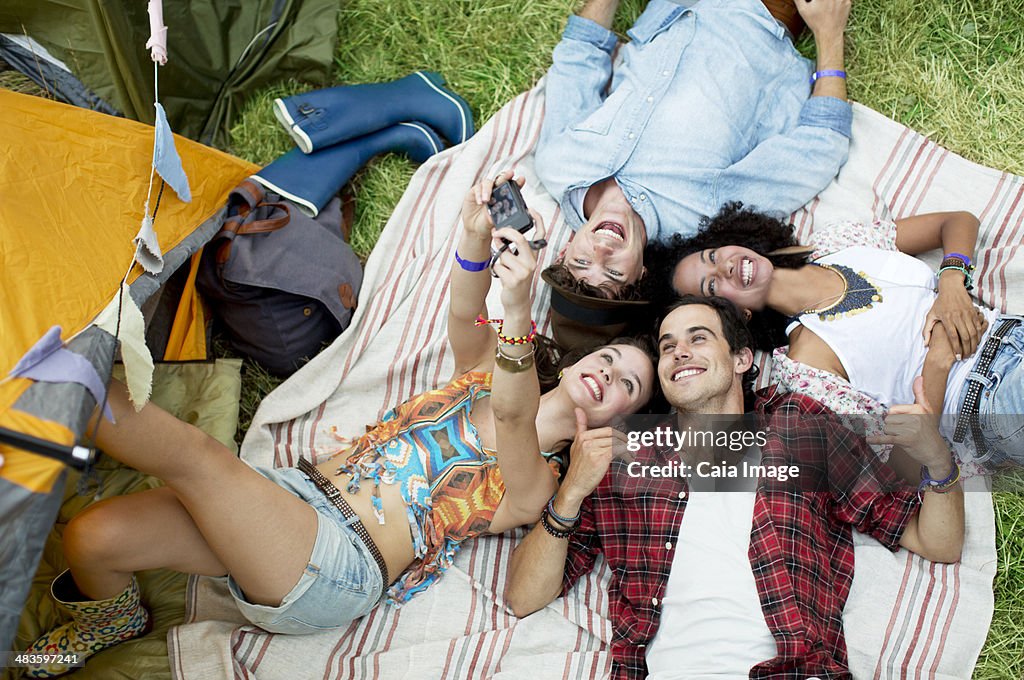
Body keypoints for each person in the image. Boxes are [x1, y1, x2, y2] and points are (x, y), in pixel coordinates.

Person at [24, 174, 658, 678]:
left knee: (190, 454)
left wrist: (518, 302)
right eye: (609, 357)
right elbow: (465, 309)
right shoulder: (486, 370)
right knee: (94, 538)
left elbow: (519, 415)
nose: (609, 372)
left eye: (627, 386)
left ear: (615, 424)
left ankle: (40, 371)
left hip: (339, 563)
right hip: (294, 498)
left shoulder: (538, 485)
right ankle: (111, 625)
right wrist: (472, 235)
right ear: (578, 360)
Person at [504, 296, 965, 678]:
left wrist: (938, 461)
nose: (679, 352)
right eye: (668, 347)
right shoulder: (621, 462)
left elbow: (934, 540)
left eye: (697, 339)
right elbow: (524, 598)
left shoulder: (802, 428)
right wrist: (569, 495)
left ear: (743, 358)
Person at [657, 202, 1023, 467]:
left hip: (1011, 330)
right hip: (986, 397)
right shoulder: (805, 368)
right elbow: (909, 445)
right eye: (711, 285)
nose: (725, 266)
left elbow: (957, 219)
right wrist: (940, 357)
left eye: (711, 255)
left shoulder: (836, 242)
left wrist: (952, 283)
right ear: (733, 314)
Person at [535, 0, 853, 299]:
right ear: (641, 273)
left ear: (565, 250)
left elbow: (580, 55)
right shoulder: (702, 219)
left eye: (581, 263)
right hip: (761, 13)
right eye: (614, 272)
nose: (601, 251)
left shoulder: (559, 166)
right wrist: (829, 34)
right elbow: (820, 147)